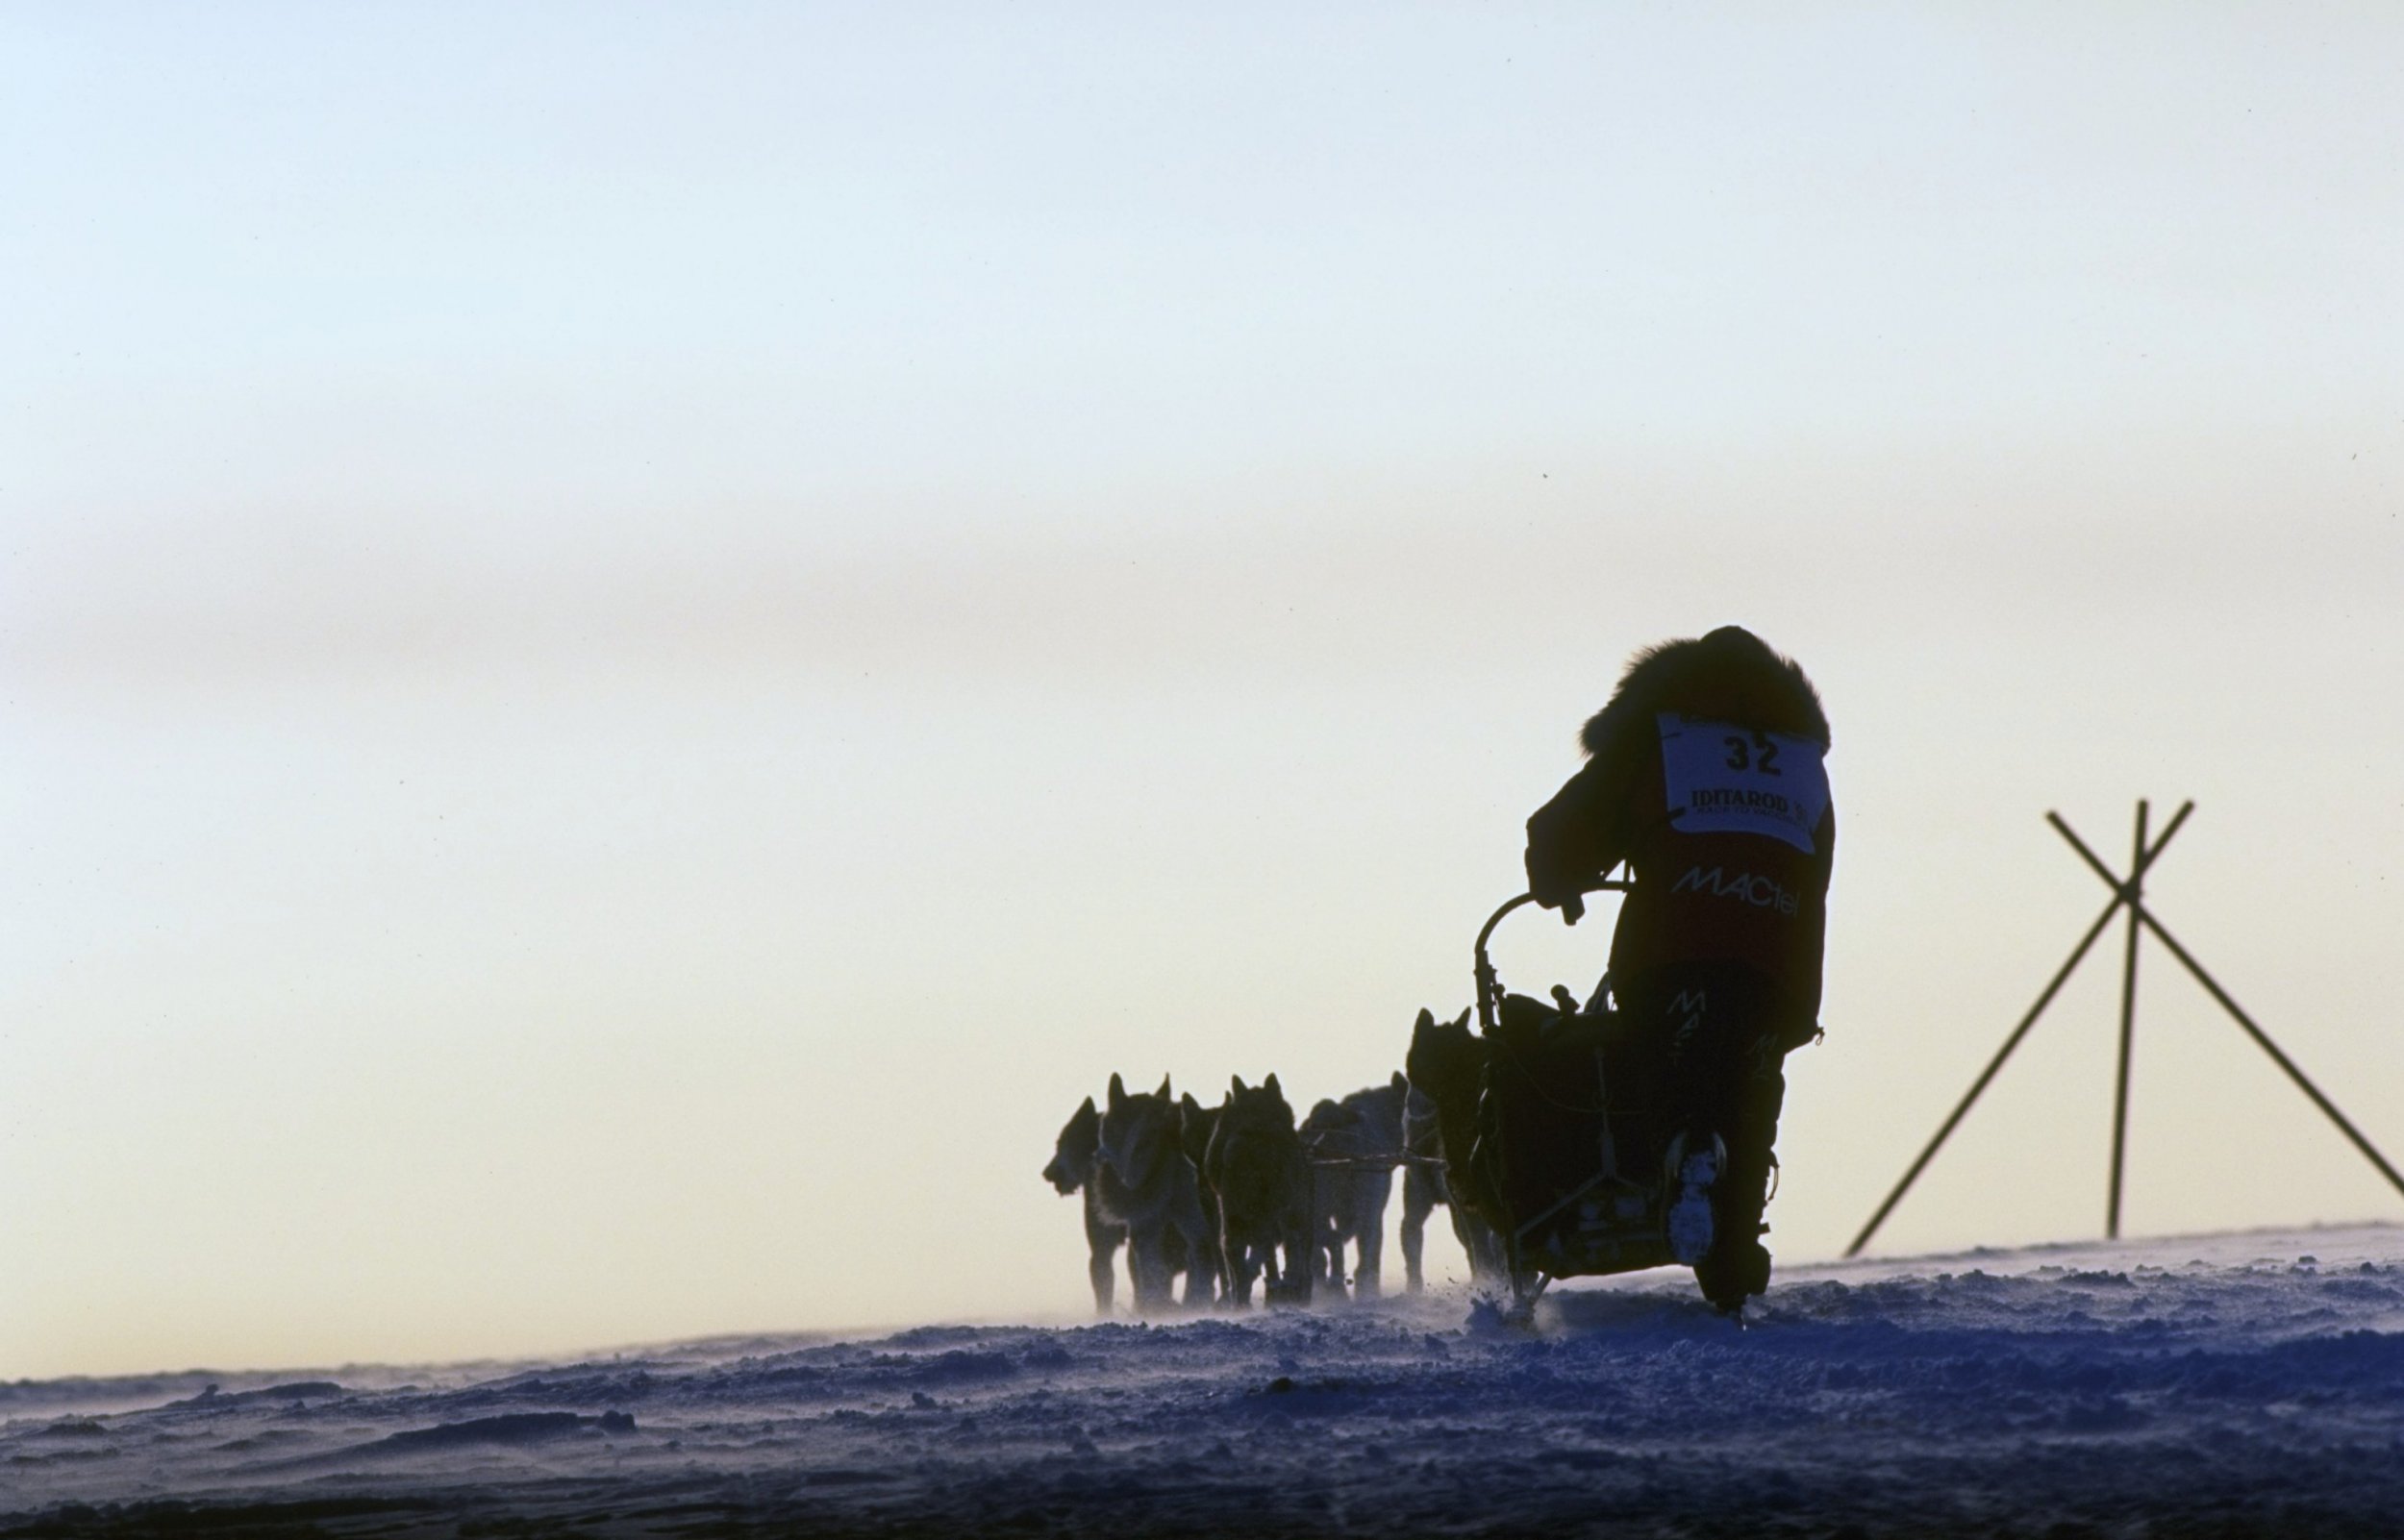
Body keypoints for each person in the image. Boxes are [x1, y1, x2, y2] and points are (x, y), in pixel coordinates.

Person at [1522, 625, 1834, 1313]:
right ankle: (1733, 1251)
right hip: (1772, 963)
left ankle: (1672, 1158)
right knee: (1749, 1100)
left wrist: (1559, 883)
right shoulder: (1801, 761)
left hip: (1672, 949)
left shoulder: (1661, 739)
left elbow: (1562, 835)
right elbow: (1816, 880)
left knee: (1654, 1073)